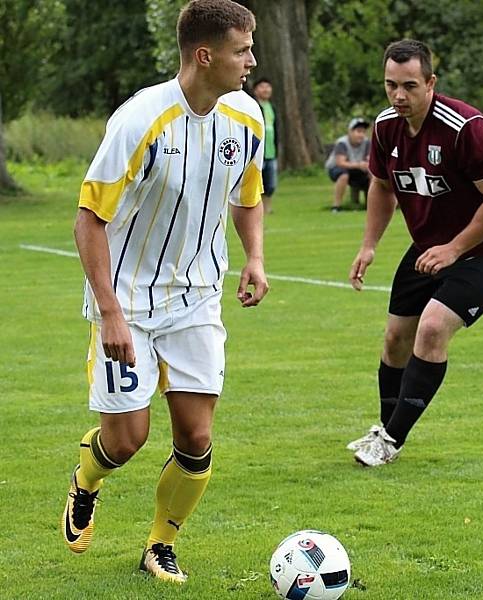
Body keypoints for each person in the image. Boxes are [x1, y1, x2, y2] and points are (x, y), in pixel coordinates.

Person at [62, 0, 268, 584]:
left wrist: (253, 257)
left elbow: (247, 194)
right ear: (205, 56)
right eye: (242, 50)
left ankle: (160, 544)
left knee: (197, 437)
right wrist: (110, 315)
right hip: (127, 300)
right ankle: (87, 479)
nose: (251, 60)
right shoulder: (140, 120)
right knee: (126, 440)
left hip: (198, 296)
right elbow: (89, 218)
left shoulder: (247, 117)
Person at [347, 39, 483, 467]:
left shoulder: (468, 129)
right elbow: (381, 186)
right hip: (431, 246)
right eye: (391, 85)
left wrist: (454, 248)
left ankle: (392, 440)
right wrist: (369, 245)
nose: (398, 96)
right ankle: (384, 428)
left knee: (431, 330)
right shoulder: (386, 126)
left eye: (409, 85)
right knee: (395, 338)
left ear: (431, 82)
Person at [325, 117, 371, 212]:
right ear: (350, 132)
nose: (361, 135)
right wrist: (359, 165)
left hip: (358, 168)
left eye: (363, 132)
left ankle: (371, 205)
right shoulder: (342, 143)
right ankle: (336, 206)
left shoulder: (367, 143)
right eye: (358, 131)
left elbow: (370, 158)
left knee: (373, 174)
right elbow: (340, 162)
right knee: (344, 175)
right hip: (336, 168)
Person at [253, 77, 278, 214]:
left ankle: (267, 209)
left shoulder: (272, 107)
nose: (266, 89)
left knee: (270, 184)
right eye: (262, 87)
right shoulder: (254, 106)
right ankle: (258, 210)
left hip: (271, 152)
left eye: (268, 87)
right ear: (256, 90)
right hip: (258, 152)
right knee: (257, 183)